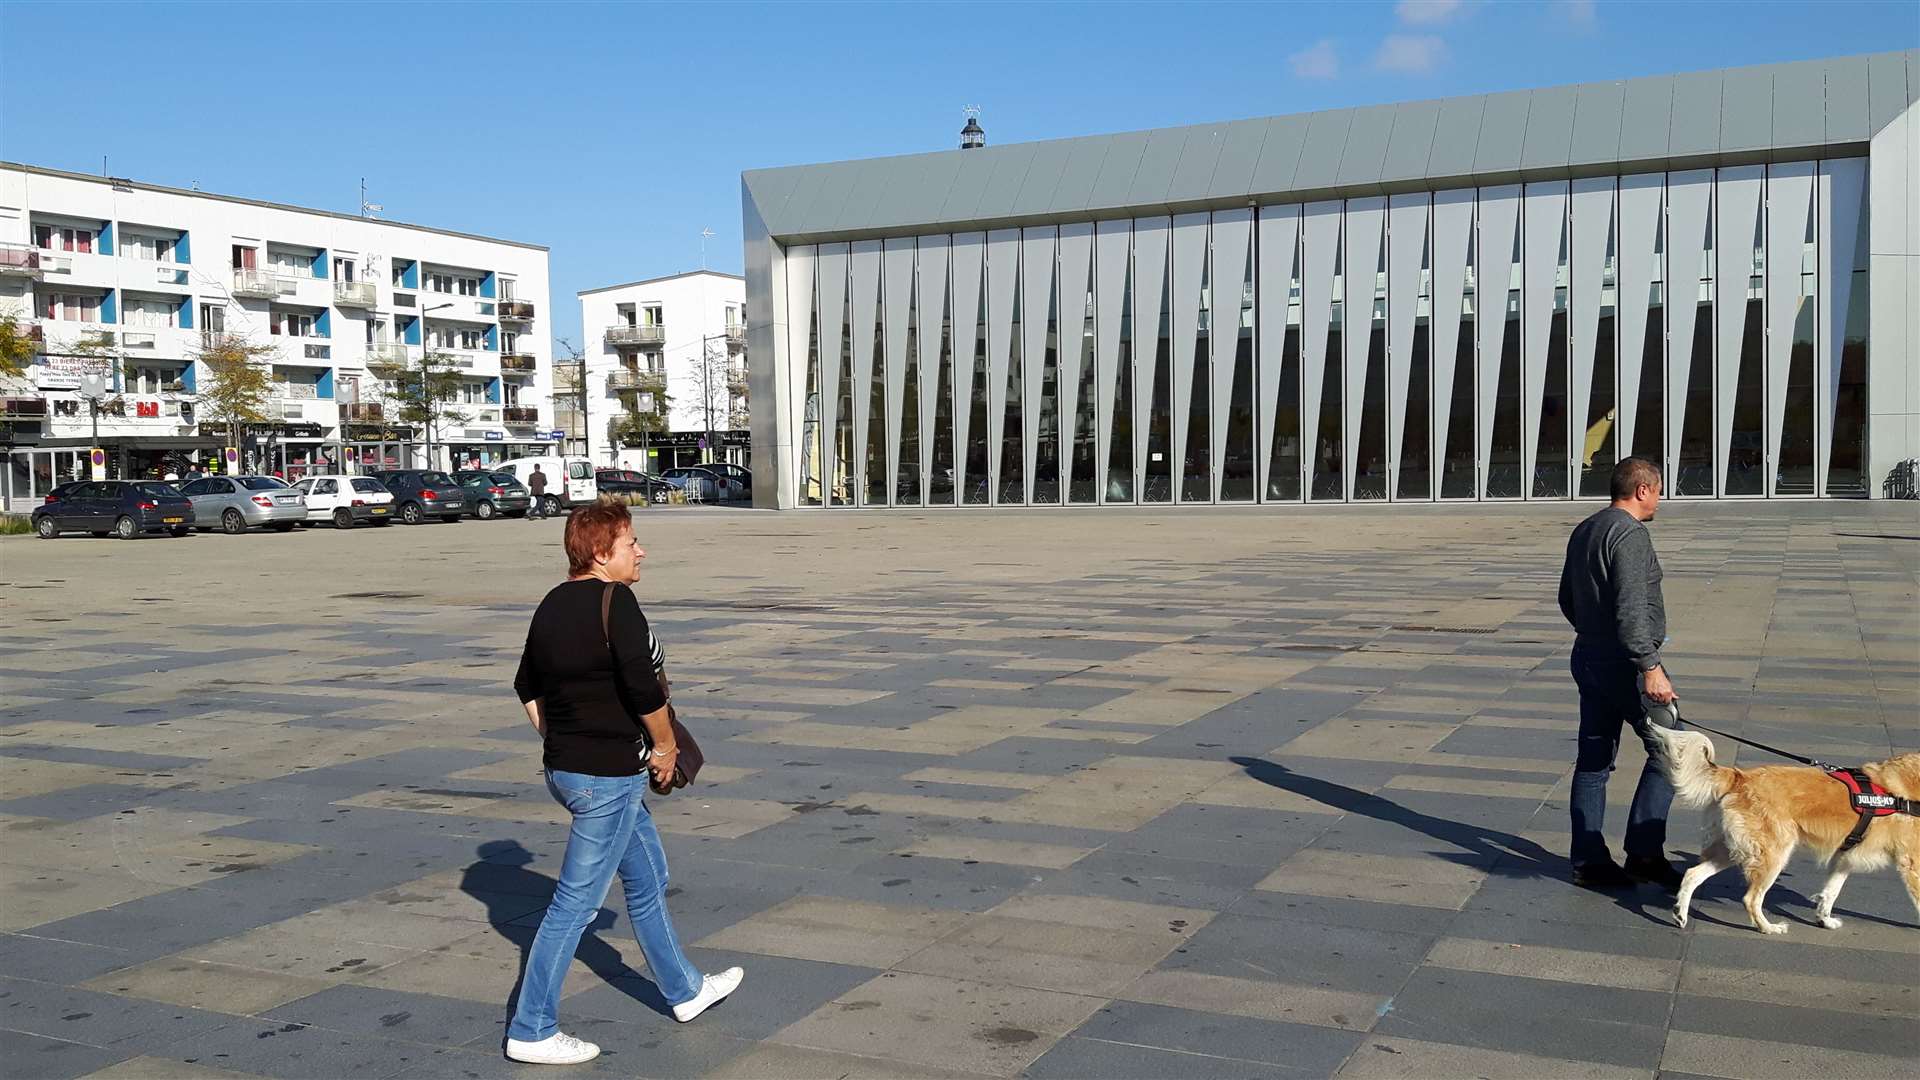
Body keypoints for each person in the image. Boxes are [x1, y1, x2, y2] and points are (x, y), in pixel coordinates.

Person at [505, 500, 742, 1065]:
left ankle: (684, 990)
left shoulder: (551, 605)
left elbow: (526, 686)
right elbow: (645, 689)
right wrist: (664, 747)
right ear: (601, 553)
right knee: (574, 907)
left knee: (648, 877)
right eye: (631, 542)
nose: (641, 551)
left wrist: (561, 738)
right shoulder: (618, 601)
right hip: (606, 777)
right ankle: (532, 1028)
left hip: (573, 772)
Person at [1557, 456, 1682, 892]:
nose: (1660, 499)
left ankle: (1589, 862)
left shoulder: (1587, 528)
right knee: (1672, 749)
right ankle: (1644, 852)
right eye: (1660, 490)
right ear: (1643, 489)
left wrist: (1591, 633)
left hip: (1589, 655)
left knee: (1594, 762)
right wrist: (1650, 667)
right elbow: (1631, 610)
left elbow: (1566, 597)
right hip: (1625, 663)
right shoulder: (1630, 535)